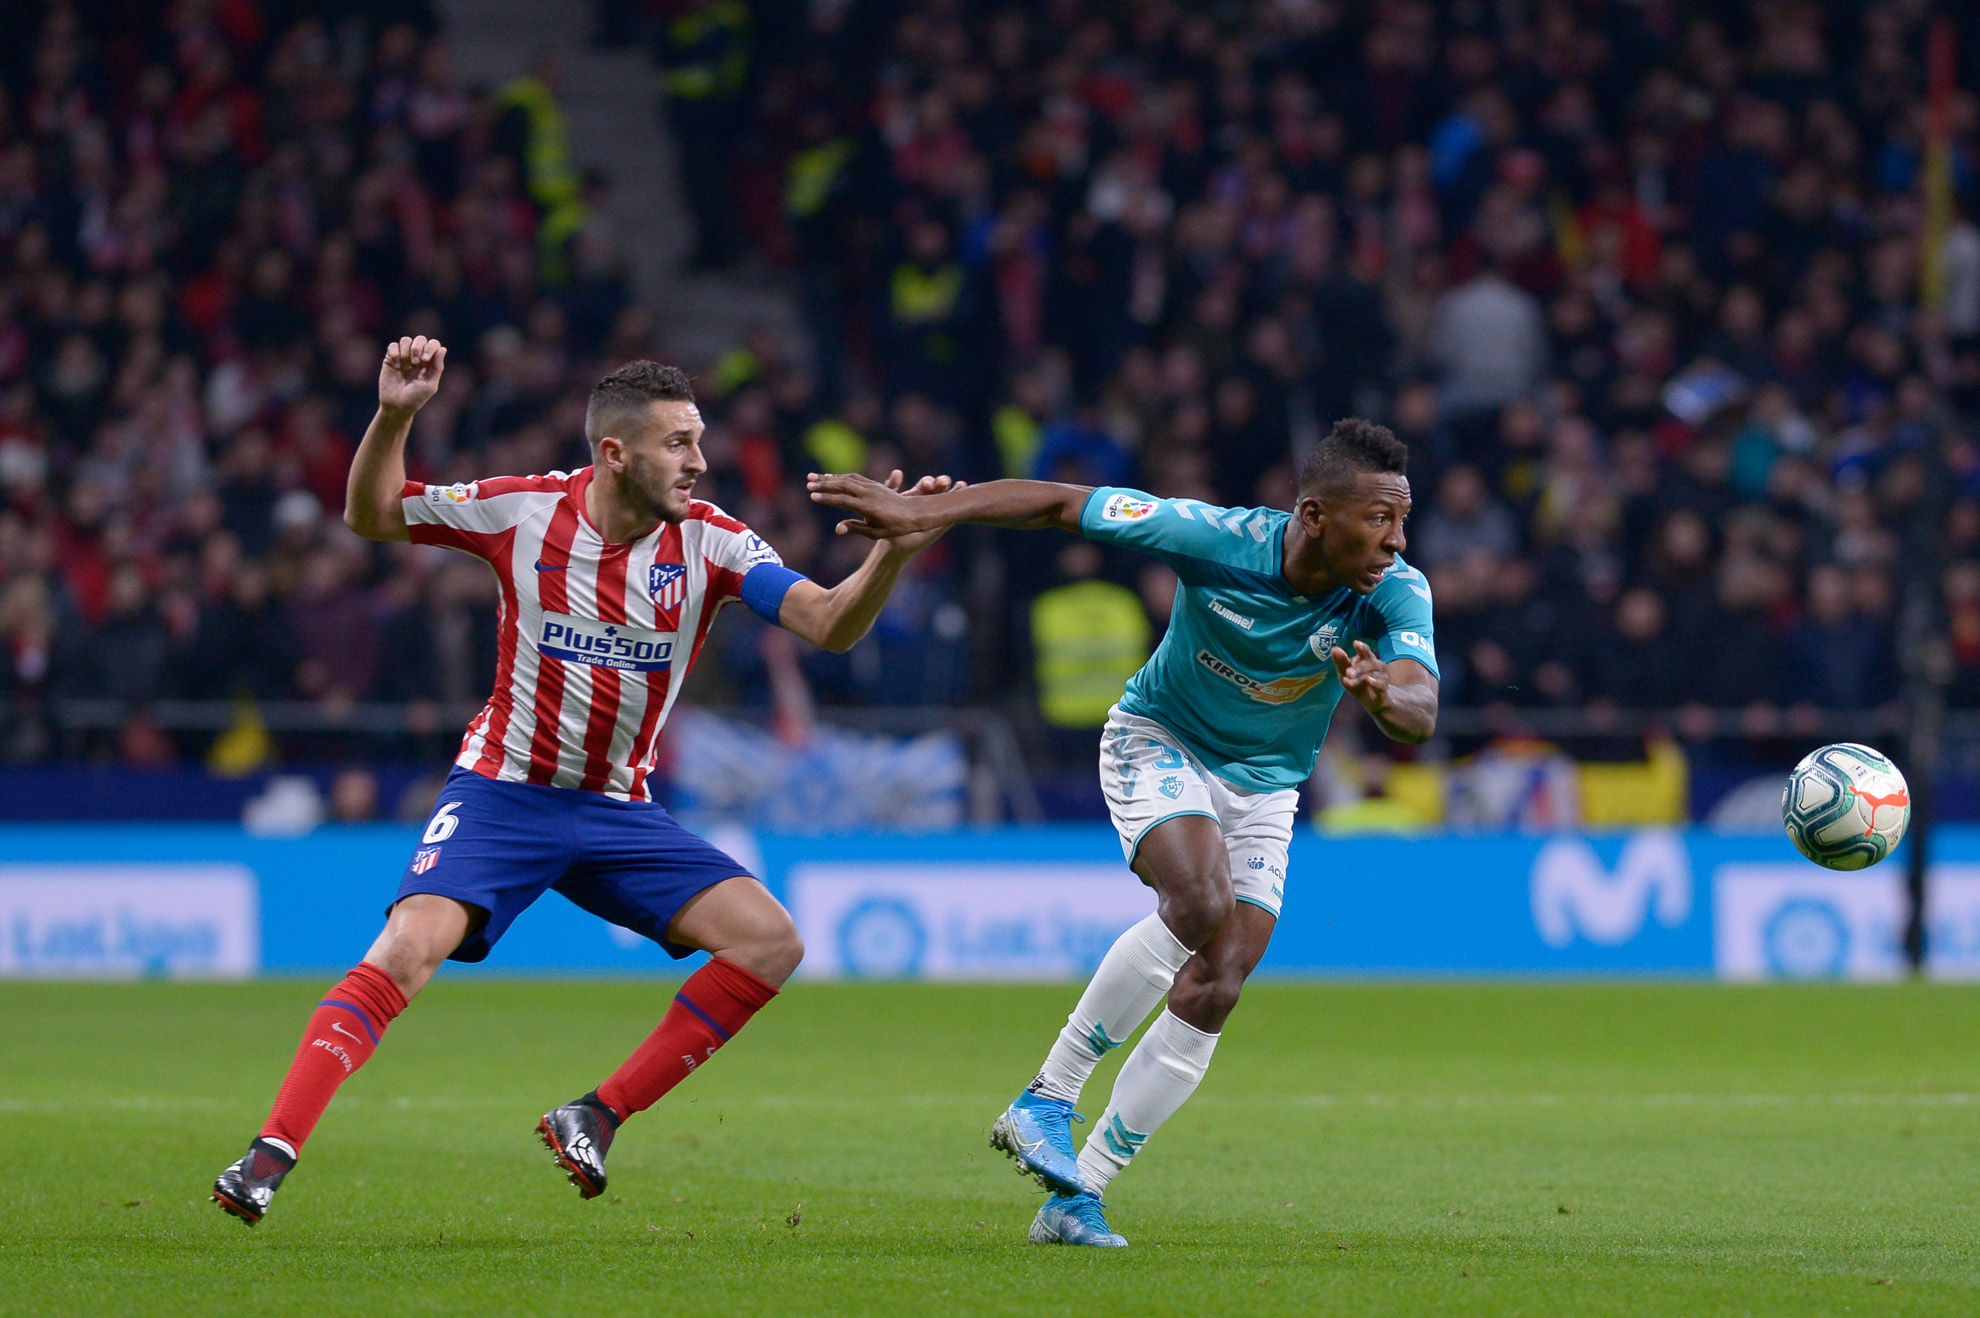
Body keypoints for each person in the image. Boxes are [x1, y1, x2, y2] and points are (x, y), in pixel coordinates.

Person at [211, 337, 956, 1225]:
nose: (699, 460)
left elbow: (829, 625)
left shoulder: (713, 542)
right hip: (503, 793)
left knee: (770, 942)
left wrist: (897, 550)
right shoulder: (521, 512)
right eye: (678, 442)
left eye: (699, 439)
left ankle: (595, 1113)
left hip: (614, 810)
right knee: (407, 952)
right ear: (616, 453)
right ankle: (270, 1152)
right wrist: (397, 417)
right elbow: (374, 515)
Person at [809, 418, 1438, 1247]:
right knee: (1201, 897)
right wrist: (936, 514)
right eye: (1380, 518)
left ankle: (1079, 1196)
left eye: (1403, 518)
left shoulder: (1396, 588)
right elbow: (1062, 506)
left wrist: (1384, 697)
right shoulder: (1215, 539)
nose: (1397, 539)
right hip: (1159, 740)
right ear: (1315, 516)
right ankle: (1046, 1096)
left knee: (1220, 982)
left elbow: (1420, 707)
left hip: (1267, 788)